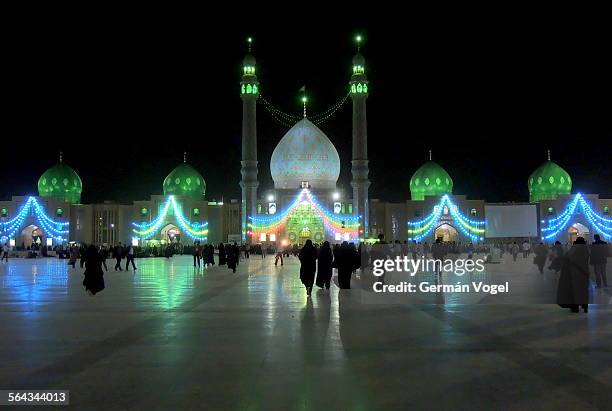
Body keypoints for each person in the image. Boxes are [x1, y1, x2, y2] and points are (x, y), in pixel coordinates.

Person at [557, 237, 590, 313]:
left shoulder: (574, 248)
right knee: (584, 290)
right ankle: (585, 306)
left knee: (574, 290)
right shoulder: (586, 249)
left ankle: (575, 307)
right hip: (584, 272)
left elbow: (567, 257)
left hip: (574, 273)